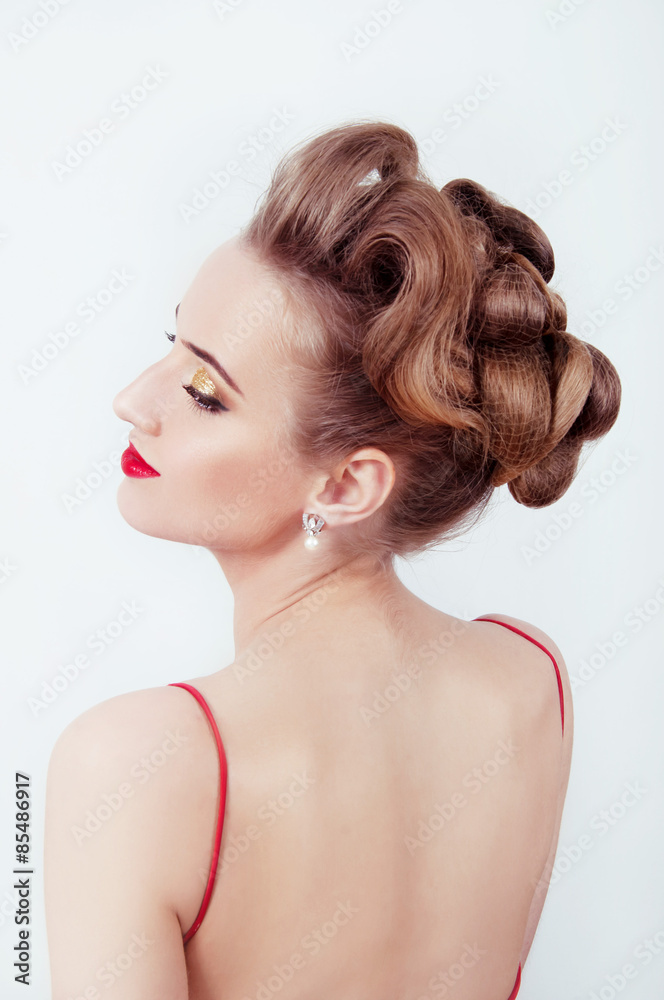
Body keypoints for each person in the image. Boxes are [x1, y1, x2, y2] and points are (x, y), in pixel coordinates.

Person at [44, 120, 621, 1000]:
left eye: (204, 393)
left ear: (348, 485)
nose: (133, 401)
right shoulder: (530, 677)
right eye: (171, 346)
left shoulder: (134, 765)